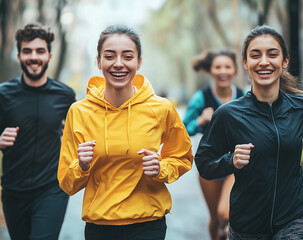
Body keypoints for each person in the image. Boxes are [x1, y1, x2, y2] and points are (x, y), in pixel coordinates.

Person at [57, 25, 193, 240]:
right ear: (99, 62)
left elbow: (182, 157)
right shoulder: (79, 111)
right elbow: (66, 183)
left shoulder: (161, 108)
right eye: (109, 56)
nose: (118, 63)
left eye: (127, 56)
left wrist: (161, 168)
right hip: (100, 225)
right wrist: (81, 165)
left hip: (148, 223)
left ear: (138, 62)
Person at [195, 25, 303, 240]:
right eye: (255, 55)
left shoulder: (299, 107)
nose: (264, 62)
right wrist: (230, 161)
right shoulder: (228, 114)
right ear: (245, 63)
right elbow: (204, 163)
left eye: (272, 54)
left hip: (293, 219)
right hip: (247, 227)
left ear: (285, 62)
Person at [0, 23, 76, 239]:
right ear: (19, 56)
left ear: (49, 56)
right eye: (27, 51)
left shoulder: (65, 96)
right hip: (14, 192)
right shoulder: (2, 96)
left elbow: (80, 133)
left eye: (40, 51)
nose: (34, 57)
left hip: (52, 189)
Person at [183, 50, 244, 240]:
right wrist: (200, 121)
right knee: (215, 220)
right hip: (209, 163)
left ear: (235, 69)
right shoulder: (201, 97)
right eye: (218, 67)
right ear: (211, 70)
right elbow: (182, 130)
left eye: (227, 66)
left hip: (236, 163)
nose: (222, 71)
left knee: (225, 214)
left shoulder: (243, 97)